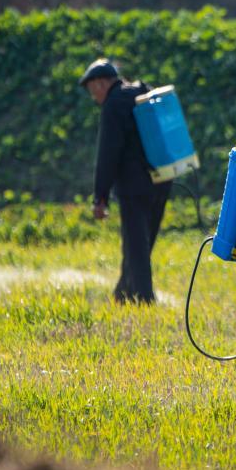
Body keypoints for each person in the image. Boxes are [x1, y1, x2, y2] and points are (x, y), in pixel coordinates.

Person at [79, 58, 172, 304]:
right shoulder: (144, 91)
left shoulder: (113, 104)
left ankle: (143, 298)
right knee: (142, 242)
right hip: (163, 179)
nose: (93, 97)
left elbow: (108, 153)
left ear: (100, 83)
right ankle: (124, 292)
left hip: (134, 186)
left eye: (92, 91)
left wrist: (100, 197)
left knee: (136, 246)